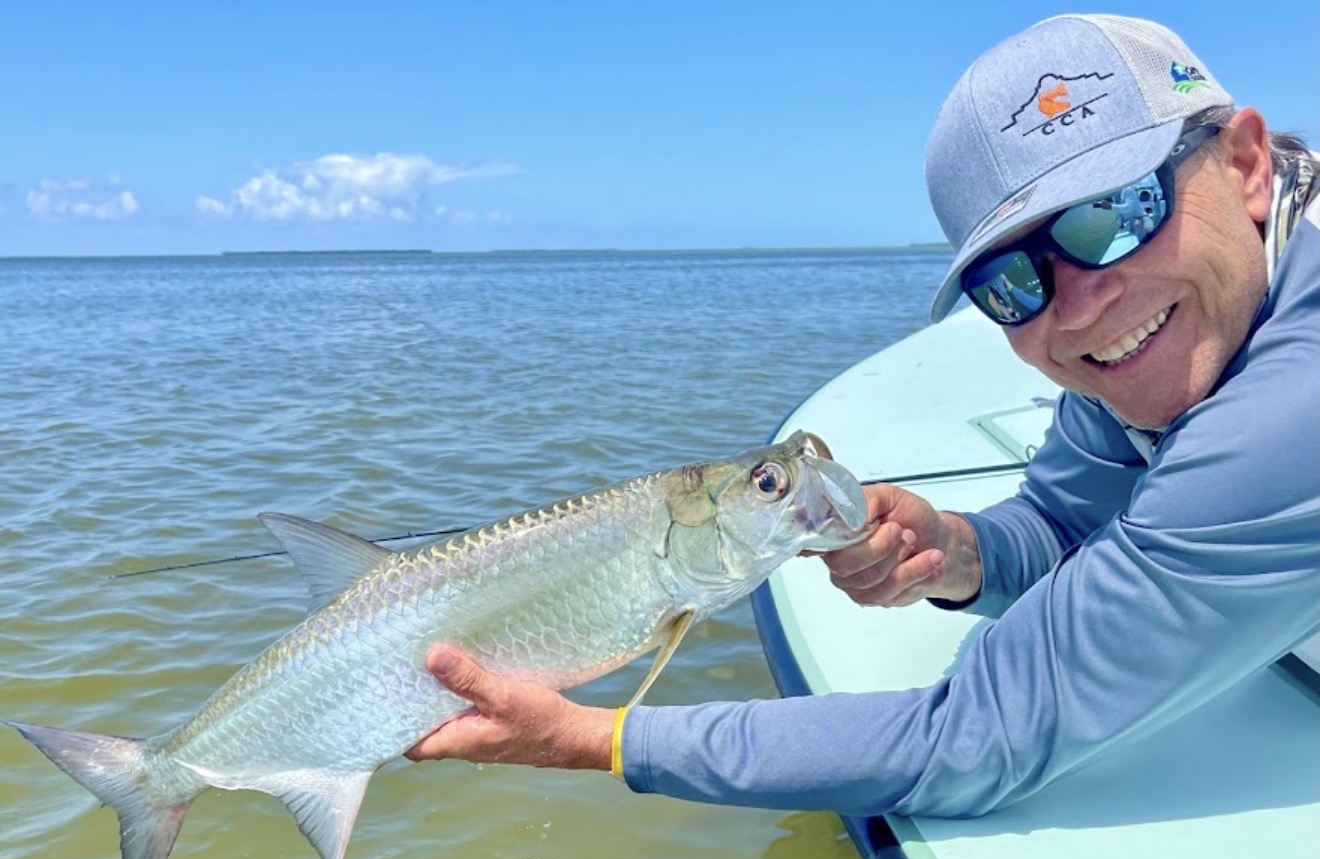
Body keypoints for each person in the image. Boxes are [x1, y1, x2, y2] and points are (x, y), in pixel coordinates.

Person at [405, 14, 1319, 817]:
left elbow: (971, 738)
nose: (1076, 307)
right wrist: (956, 551)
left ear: (1242, 163)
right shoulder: (1172, 328)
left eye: (1113, 214)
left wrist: (596, 739)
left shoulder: (1291, 411)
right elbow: (1064, 523)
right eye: (1010, 280)